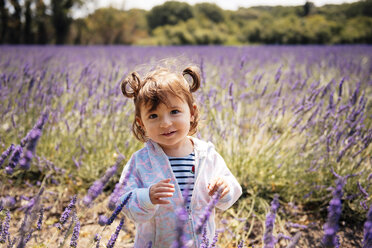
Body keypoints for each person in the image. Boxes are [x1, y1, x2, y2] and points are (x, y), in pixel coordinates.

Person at [118, 64, 242, 248]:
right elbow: (123, 199)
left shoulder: (207, 155)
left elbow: (231, 188)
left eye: (174, 112)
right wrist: (146, 197)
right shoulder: (141, 161)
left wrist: (225, 189)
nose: (165, 123)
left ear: (191, 113)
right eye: (153, 116)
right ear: (141, 123)